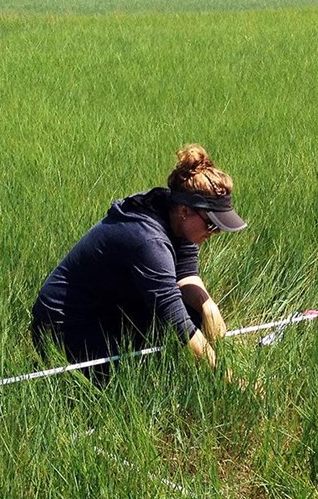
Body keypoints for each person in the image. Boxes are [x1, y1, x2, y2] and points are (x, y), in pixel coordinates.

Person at [30, 144, 248, 384]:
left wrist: (207, 305)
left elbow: (186, 273)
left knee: (196, 313)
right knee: (122, 386)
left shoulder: (174, 215)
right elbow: (173, 316)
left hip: (110, 309)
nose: (214, 232)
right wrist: (232, 380)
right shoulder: (147, 240)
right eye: (211, 224)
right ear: (186, 210)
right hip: (67, 323)